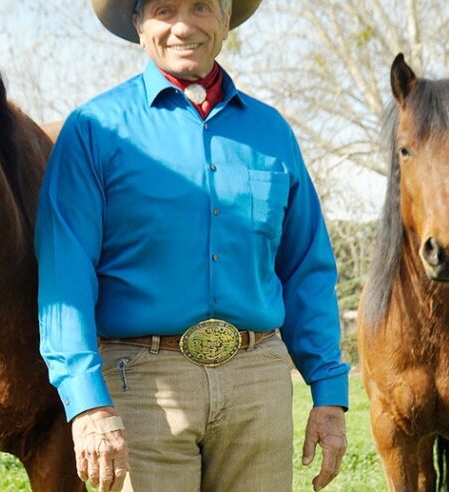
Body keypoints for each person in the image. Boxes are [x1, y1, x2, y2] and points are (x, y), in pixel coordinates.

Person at [35, 1, 350, 490]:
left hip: (258, 382)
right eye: (164, 9)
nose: (183, 25)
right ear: (140, 25)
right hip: (140, 386)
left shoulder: (272, 133)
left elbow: (307, 266)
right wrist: (88, 404)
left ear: (225, 19)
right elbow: (64, 273)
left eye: (202, 6)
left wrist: (328, 394)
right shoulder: (93, 131)